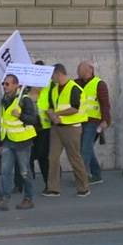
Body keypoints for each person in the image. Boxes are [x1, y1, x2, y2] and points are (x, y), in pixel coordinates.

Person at [44, 63, 91, 198]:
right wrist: (52, 115)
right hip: (56, 128)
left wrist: (57, 114)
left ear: (58, 74)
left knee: (74, 158)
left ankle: (83, 188)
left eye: (52, 76)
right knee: (52, 158)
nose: (51, 79)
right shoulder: (54, 89)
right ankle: (53, 188)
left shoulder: (74, 88)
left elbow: (75, 108)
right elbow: (50, 107)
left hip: (72, 128)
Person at [0, 74, 37, 210]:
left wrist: (20, 115)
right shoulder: (4, 99)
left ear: (16, 85)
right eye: (4, 83)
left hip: (22, 141)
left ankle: (28, 198)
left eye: (7, 84)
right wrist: (0, 141)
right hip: (8, 140)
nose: (4, 86)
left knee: (24, 171)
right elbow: (3, 121)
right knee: (5, 170)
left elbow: (33, 120)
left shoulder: (25, 100)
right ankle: (5, 198)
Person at [76, 61, 111, 185]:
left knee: (85, 149)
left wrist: (106, 121)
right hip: (81, 121)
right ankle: (96, 174)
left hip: (94, 121)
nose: (78, 72)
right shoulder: (76, 83)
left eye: (80, 69)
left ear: (89, 70)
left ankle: (82, 178)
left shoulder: (99, 84)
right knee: (86, 148)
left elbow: (105, 104)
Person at [28, 61, 51, 191]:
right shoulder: (28, 88)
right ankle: (25, 185)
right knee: (31, 155)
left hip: (46, 127)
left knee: (43, 156)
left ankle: (49, 183)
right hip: (32, 126)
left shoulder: (49, 88)